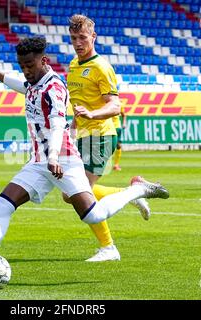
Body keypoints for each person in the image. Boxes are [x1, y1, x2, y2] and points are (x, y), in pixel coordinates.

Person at [0, 37, 169, 281]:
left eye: (30, 65)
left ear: (43, 61)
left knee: (92, 215)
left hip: (63, 159)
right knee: (2, 204)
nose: (26, 71)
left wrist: (53, 157)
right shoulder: (34, 83)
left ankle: (136, 191)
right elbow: (22, 86)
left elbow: (58, 124)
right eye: (22, 66)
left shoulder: (54, 88)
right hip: (38, 162)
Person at [66, 14, 152, 262]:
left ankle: (108, 247)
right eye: (74, 38)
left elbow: (115, 105)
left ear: (93, 36)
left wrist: (92, 114)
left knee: (79, 193)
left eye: (82, 37)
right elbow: (79, 105)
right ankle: (133, 192)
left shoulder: (101, 67)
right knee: (68, 194)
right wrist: (73, 127)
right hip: (82, 135)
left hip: (100, 135)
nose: (78, 42)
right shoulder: (73, 65)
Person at [112, 106, 127, 171]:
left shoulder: (120, 104)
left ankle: (116, 164)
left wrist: (124, 123)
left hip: (117, 127)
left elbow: (123, 115)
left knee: (118, 146)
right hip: (107, 127)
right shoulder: (103, 102)